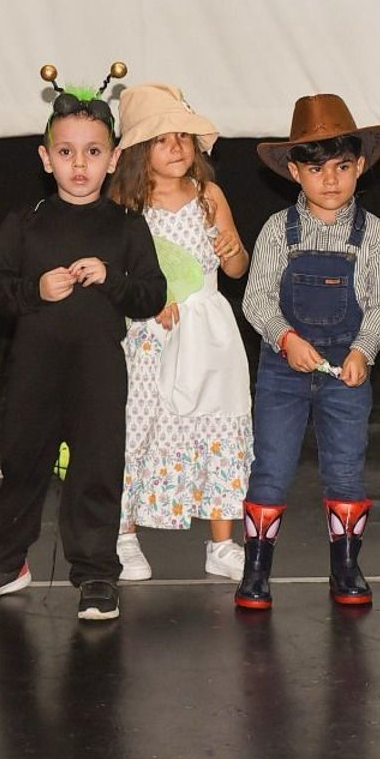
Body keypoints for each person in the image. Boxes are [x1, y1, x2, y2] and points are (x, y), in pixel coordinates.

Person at [0, 91, 166, 619]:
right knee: (24, 462)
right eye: (66, 152)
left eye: (93, 152)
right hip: (34, 367)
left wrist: (112, 279)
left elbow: (152, 294)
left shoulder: (126, 225)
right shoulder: (25, 222)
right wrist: (34, 291)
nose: (79, 164)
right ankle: (6, 563)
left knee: (96, 466)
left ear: (114, 159)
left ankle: (95, 572)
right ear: (45, 159)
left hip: (98, 369)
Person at [235, 94, 380, 610]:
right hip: (282, 374)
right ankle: (256, 571)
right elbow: (256, 298)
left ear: (360, 167)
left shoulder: (372, 234)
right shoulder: (276, 230)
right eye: (315, 168)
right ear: (294, 172)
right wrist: (286, 338)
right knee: (271, 467)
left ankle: (346, 568)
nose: (330, 179)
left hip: (345, 371)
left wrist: (362, 350)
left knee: (347, 469)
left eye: (342, 167)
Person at [106, 83, 253, 583]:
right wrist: (147, 297)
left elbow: (235, 269)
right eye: (161, 138)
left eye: (183, 137)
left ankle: (222, 543)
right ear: (137, 151)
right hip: (150, 334)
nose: (176, 147)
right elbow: (113, 272)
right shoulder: (125, 201)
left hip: (208, 333)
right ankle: (123, 535)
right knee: (138, 428)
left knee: (217, 427)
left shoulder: (209, 196)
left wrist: (232, 249)